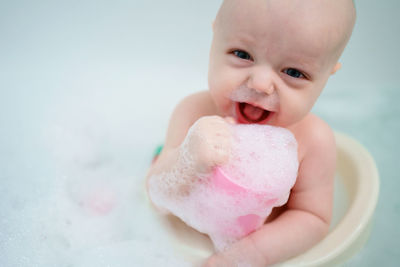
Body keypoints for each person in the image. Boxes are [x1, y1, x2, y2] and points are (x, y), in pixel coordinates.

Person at [146, 0, 356, 266]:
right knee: (152, 169)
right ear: (214, 39)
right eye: (242, 54)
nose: (260, 83)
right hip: (180, 239)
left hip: (251, 247)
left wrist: (246, 256)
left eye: (293, 72)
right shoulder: (193, 111)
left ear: (328, 75)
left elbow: (313, 218)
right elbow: (156, 197)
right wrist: (187, 158)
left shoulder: (314, 140)